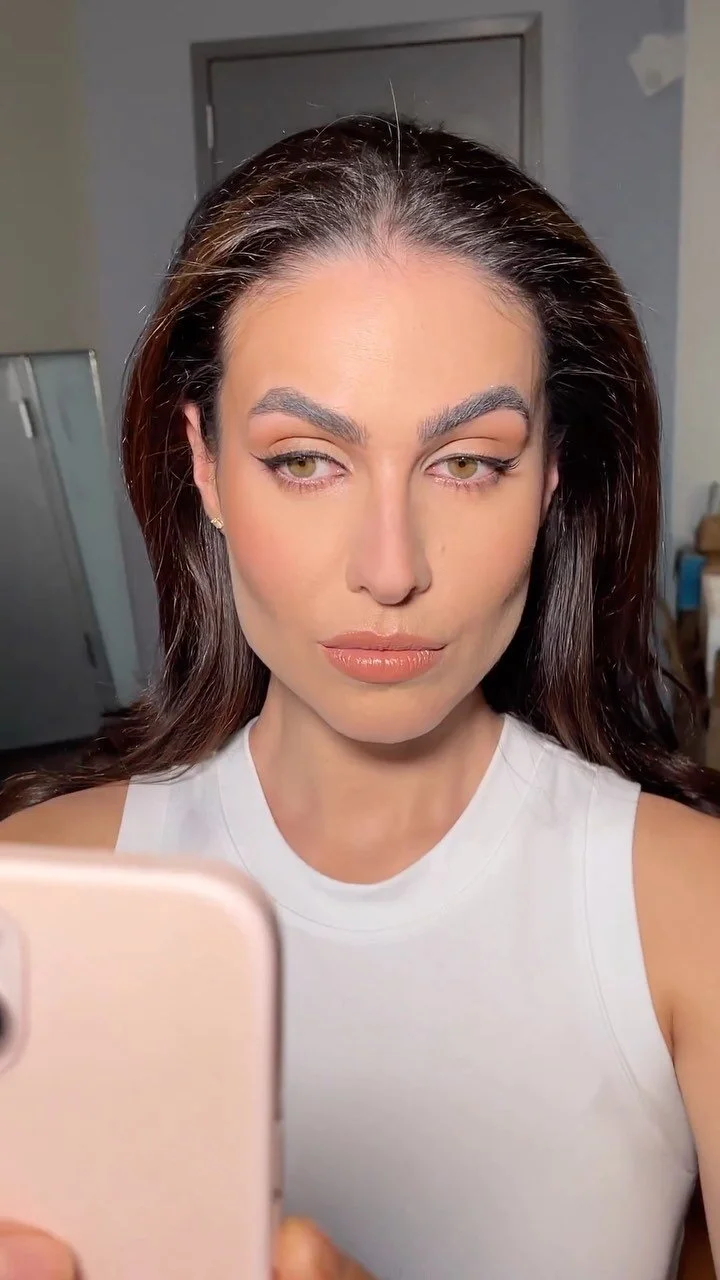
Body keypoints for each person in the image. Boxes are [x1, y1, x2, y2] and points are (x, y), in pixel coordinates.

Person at [1, 115, 719, 1280]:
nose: (390, 568)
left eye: (468, 462)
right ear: (204, 464)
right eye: (305, 460)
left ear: (550, 474)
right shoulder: (33, 895)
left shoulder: (692, 909)